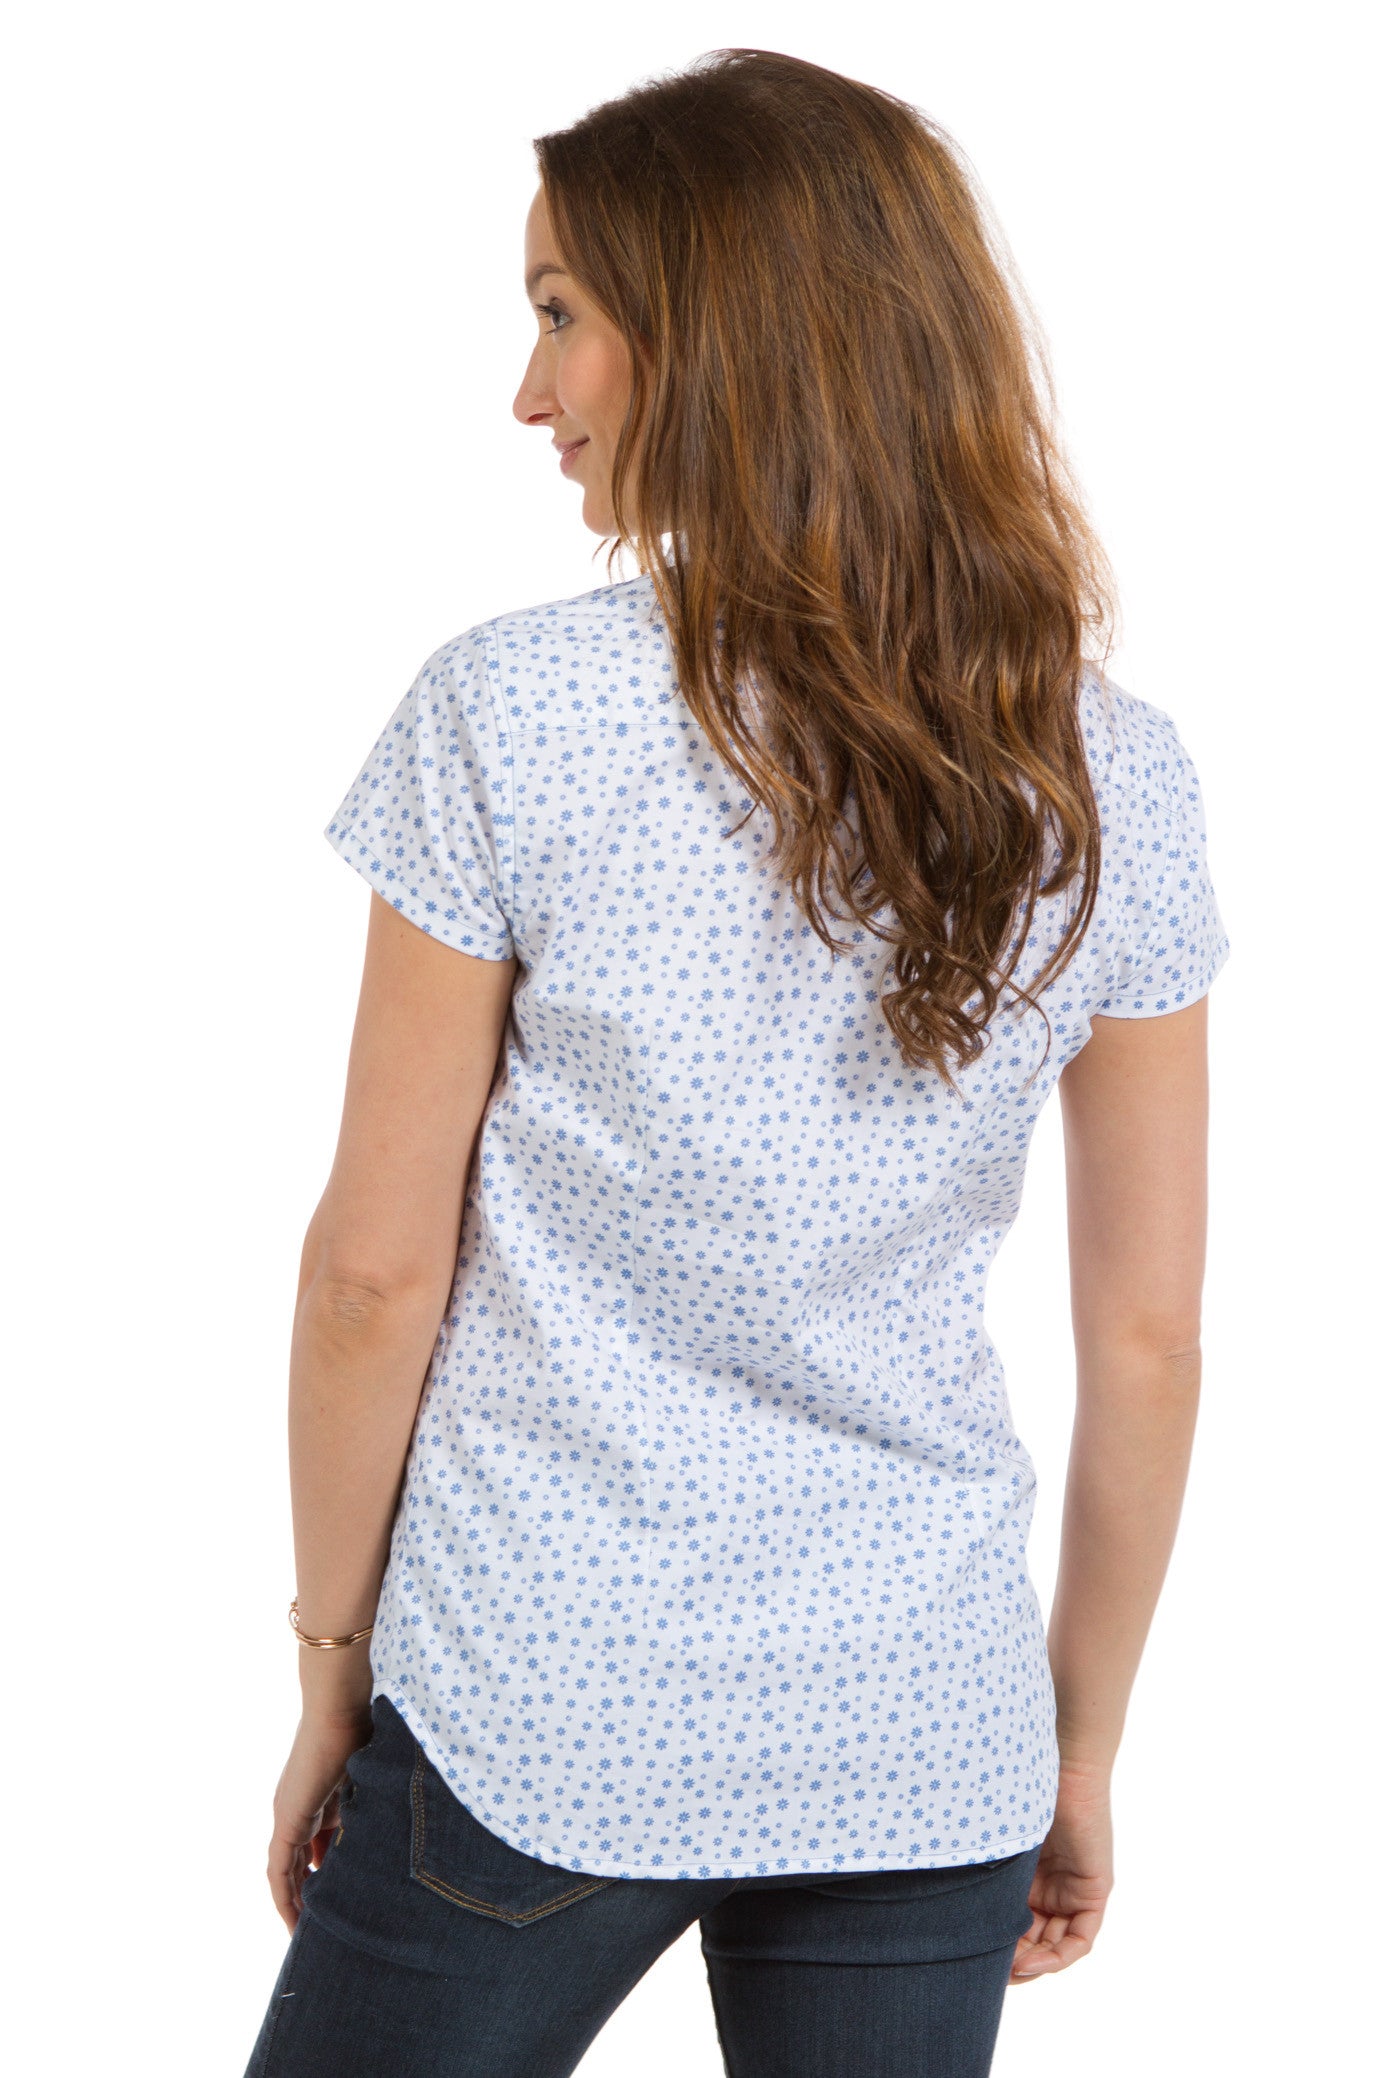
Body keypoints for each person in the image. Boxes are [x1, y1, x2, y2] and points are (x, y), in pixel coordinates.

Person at [242, 46, 1231, 2078]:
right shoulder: (1111, 777)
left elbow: (370, 1275)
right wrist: (1076, 1742)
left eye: (560, 314)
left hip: (533, 1700)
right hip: (918, 1732)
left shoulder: (514, 715)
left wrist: (334, 1662)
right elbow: (1148, 1338)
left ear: (723, 335)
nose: (528, 393)